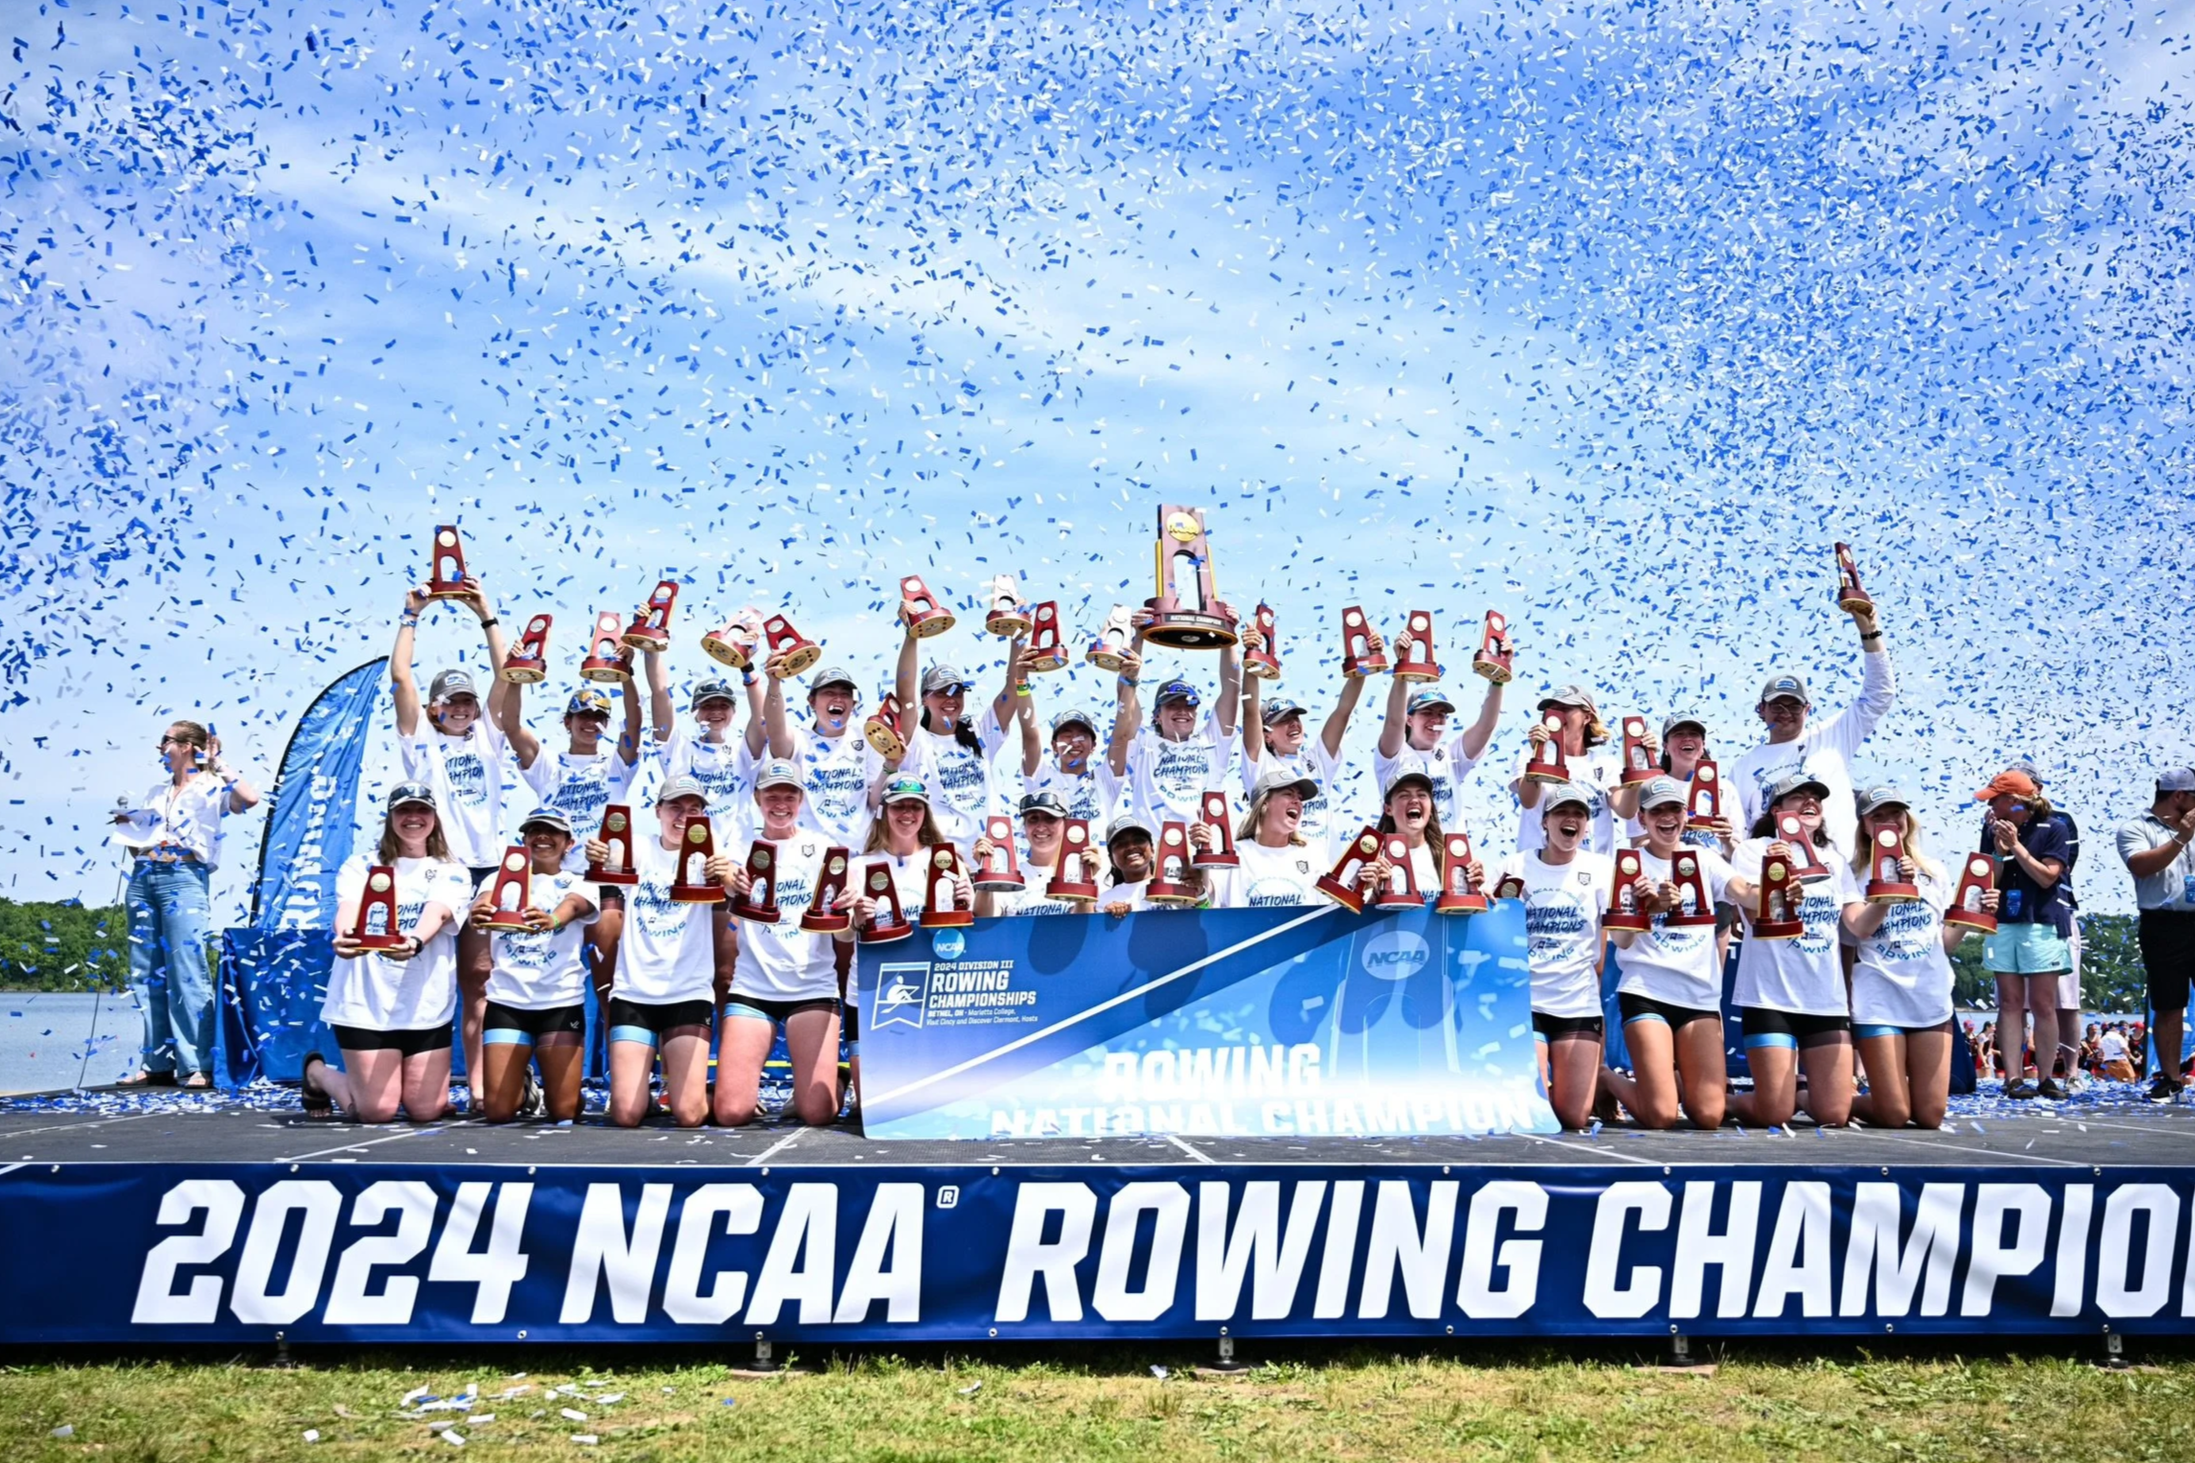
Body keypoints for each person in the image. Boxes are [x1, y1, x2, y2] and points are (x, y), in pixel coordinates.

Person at [391, 580, 515, 1105]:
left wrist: (486, 611)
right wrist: (411, 614)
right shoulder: (420, 741)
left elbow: (508, 673)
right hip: (437, 871)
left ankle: (485, 1088)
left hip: (484, 869)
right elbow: (401, 677)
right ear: (436, 708)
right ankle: (419, 1078)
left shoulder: (487, 736)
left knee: (480, 983)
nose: (463, 709)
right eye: (452, 702)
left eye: (468, 701)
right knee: (426, 975)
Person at [302, 784, 473, 1122]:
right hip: (365, 1002)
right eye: (403, 811)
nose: (413, 818)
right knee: (376, 1112)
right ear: (390, 817)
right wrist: (346, 937)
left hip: (424, 1004)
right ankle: (318, 1073)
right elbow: (349, 908)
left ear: (435, 819)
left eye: (422, 810)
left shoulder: (453, 870)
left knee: (427, 1111)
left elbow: (437, 912)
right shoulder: (359, 865)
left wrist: (414, 942)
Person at [112, 720, 260, 1089]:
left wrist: (218, 761)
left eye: (165, 740)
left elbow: (250, 798)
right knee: (146, 972)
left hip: (184, 875)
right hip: (145, 873)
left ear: (187, 746)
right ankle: (156, 1062)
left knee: (186, 968)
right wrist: (131, 828)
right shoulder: (155, 791)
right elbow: (139, 843)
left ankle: (198, 1063)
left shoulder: (212, 788)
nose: (160, 747)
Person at [1842, 786, 1995, 1130]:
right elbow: (1859, 929)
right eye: (1877, 816)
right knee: (1895, 1114)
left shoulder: (1934, 871)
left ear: (1907, 819)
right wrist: (1890, 886)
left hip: (1929, 995)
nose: (1888, 822)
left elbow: (1944, 942)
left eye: (1895, 813)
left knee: (1929, 1116)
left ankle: (1849, 1099)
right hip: (1879, 997)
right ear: (1864, 825)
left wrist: (1972, 914)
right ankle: (1831, 1102)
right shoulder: (1851, 873)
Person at [581, 774, 727, 1128]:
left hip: (687, 993)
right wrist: (596, 851)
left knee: (690, 1115)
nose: (683, 816)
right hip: (635, 994)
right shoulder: (638, 848)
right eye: (675, 807)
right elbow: (607, 856)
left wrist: (731, 875)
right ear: (658, 810)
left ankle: (708, 1092)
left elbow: (733, 874)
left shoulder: (711, 855)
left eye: (693, 809)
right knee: (626, 1114)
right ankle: (643, 1091)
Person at [1724, 771, 1866, 1129]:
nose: (1810, 802)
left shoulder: (1833, 860)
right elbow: (1756, 916)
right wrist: (1778, 870)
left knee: (1834, 1113)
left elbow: (1857, 924)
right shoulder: (1753, 850)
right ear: (1776, 811)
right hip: (1770, 997)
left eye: (1815, 797)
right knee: (1773, 1114)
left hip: (1824, 999)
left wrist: (1893, 891)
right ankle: (1721, 1101)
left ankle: (1798, 1095)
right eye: (1797, 797)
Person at [1492, 783, 1634, 1129]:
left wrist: (1635, 908)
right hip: (1527, 1004)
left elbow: (1624, 941)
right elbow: (1489, 920)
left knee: (1573, 1117)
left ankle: (1597, 1078)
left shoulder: (1602, 869)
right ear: (1544, 822)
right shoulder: (1515, 865)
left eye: (1579, 814)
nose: (1570, 820)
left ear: (1587, 825)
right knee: (1533, 1114)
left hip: (1578, 1003)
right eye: (1561, 813)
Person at [499, 677, 643, 1010]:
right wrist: (518, 677)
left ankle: (613, 1061)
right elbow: (510, 725)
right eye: (582, 716)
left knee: (608, 984)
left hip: (603, 882)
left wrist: (627, 677)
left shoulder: (615, 766)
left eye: (598, 718)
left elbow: (635, 724)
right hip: (554, 882)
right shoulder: (548, 765)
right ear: (567, 722)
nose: (590, 724)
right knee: (537, 978)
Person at [1598, 776, 1734, 1131]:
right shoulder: (1627, 865)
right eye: (1657, 810)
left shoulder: (1704, 858)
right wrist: (1649, 909)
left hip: (1699, 996)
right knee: (1660, 1116)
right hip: (1647, 991)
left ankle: (1668, 1081)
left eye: (1674, 809)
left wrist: (1776, 888)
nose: (1667, 817)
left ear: (1686, 815)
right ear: (1641, 818)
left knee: (1708, 1115)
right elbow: (1622, 942)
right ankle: (1605, 1078)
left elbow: (1745, 893)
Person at [718, 760, 848, 1127]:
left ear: (801, 800)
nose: (780, 803)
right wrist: (731, 878)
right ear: (757, 798)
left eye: (789, 796)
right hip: (754, 987)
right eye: (771, 795)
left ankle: (835, 1078)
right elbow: (724, 873)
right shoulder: (739, 845)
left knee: (817, 1113)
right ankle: (733, 1087)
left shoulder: (823, 848)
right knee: (731, 1112)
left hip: (811, 986)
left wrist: (850, 900)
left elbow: (843, 917)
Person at [1729, 592, 1894, 859]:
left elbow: (1880, 695)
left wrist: (1870, 632)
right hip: (1778, 879)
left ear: (1808, 709)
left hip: (1842, 873)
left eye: (1794, 706)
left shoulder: (1832, 736)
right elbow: (1739, 831)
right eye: (1776, 706)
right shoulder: (1742, 767)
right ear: (1761, 710)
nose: (1785, 713)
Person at [844, 775, 973, 1097]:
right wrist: (857, 920)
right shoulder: (860, 865)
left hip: (932, 987)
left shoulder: (946, 860)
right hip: (872, 990)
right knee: (870, 1107)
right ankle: (837, 1078)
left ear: (925, 812)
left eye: (915, 806)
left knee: (931, 1100)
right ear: (883, 811)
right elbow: (845, 937)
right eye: (898, 805)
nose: (907, 813)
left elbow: (965, 928)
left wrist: (969, 904)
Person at [469, 808, 599, 1124]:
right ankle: (524, 1085)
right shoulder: (497, 878)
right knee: (498, 1111)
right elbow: (484, 900)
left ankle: (557, 1087)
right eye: (534, 831)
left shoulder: (581, 882)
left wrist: (552, 919)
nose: (542, 837)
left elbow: (573, 906)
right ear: (524, 840)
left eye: (552, 832)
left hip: (559, 1001)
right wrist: (479, 910)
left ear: (569, 843)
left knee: (564, 1111)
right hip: (507, 1001)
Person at [1244, 618, 1385, 854]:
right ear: (1267, 735)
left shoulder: (1316, 759)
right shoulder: (1260, 765)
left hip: (1325, 871)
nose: (1293, 724)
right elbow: (1250, 712)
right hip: (1282, 867)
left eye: (1295, 717)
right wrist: (1253, 658)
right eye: (1283, 721)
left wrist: (1364, 659)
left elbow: (1343, 711)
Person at [1978, 768, 2074, 1098]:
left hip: (2042, 921)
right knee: (2010, 1002)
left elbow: (2048, 877)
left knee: (2043, 1003)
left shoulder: (2054, 828)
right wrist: (1999, 849)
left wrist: (2016, 845)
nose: (1989, 806)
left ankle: (2047, 1077)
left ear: (2013, 801)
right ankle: (2013, 1079)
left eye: (1995, 800)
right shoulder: (1990, 827)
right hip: (2003, 920)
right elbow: (1991, 878)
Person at [1104, 616, 1244, 829]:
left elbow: (1232, 689)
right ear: (1157, 715)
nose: (1182, 711)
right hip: (1153, 853)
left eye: (1189, 705)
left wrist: (1228, 633)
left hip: (1200, 852)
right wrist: (1140, 636)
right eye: (1172, 705)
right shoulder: (1143, 744)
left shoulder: (1211, 743)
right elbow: (1126, 695)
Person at [890, 633, 1026, 850]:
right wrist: (911, 635)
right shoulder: (916, 741)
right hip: (939, 859)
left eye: (957, 692)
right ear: (925, 699)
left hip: (987, 859)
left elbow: (1011, 689)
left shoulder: (980, 733)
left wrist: (1018, 633)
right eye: (941, 693)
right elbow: (904, 695)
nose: (950, 699)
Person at [2115, 766, 2195, 1101]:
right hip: (2162, 922)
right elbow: (2141, 865)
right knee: (2168, 1003)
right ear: (2179, 796)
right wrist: (2180, 839)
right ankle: (2171, 1078)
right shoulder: (2135, 827)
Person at [1373, 655, 1501, 837]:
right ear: (1409, 719)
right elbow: (1394, 721)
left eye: (1442, 714)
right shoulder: (1393, 756)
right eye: (1427, 712)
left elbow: (1485, 726)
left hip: (1450, 856)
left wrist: (1498, 678)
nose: (1436, 719)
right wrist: (1403, 665)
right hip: (1402, 855)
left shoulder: (1450, 754)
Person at [1512, 685, 1636, 856]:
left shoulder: (1605, 763)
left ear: (1587, 717)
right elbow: (1528, 801)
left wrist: (1639, 761)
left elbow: (1626, 810)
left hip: (1593, 870)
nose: (1557, 716)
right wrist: (1538, 754)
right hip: (1537, 866)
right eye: (1552, 710)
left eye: (1565, 709)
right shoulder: (1529, 754)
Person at [764, 662, 877, 848]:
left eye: (845, 694)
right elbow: (775, 731)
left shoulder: (865, 738)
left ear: (853, 704)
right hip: (810, 852)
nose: (838, 698)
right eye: (829, 693)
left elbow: (874, 801)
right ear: (812, 701)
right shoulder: (799, 738)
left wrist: (891, 766)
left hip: (860, 850)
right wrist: (774, 684)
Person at [1207, 768, 1332, 908]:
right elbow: (1206, 899)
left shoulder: (1312, 853)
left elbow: (1332, 907)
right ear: (1264, 804)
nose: (1297, 801)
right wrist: (1200, 862)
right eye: (1288, 794)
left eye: (1300, 797)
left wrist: (1359, 882)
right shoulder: (1234, 854)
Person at [665, 669, 768, 832]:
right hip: (688, 849)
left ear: (733, 712)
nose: (716, 710)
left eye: (724, 705)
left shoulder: (742, 751)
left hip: (736, 853)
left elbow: (761, 717)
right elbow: (659, 693)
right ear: (694, 712)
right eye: (707, 705)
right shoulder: (679, 748)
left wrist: (747, 668)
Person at [974, 790, 1092, 916]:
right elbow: (984, 918)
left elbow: (1084, 925)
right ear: (1024, 826)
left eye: (1050, 818)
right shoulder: (1009, 877)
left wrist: (1086, 882)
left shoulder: (1080, 873)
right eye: (1033, 819)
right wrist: (985, 874)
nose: (1041, 827)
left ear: (1066, 824)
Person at [1019, 706, 1116, 827]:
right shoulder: (1041, 777)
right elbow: (1030, 735)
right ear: (1054, 746)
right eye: (1067, 736)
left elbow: (1123, 735)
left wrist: (1129, 687)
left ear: (1093, 746)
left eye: (1082, 736)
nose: (1075, 743)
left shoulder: (1104, 779)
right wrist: (1021, 688)